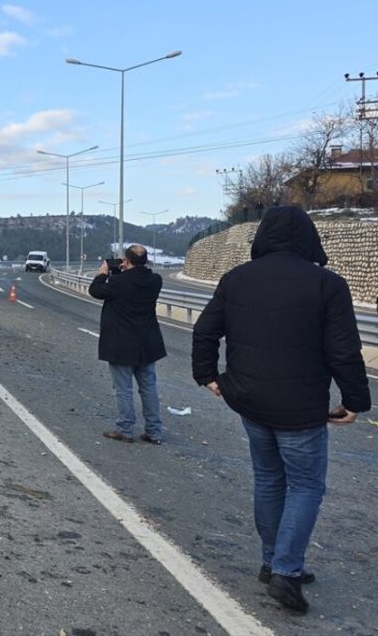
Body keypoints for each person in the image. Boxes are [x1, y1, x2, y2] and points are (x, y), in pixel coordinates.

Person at [191, 205, 371, 615]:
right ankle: (286, 572)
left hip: (250, 401)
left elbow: (204, 332)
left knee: (269, 480)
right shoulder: (327, 284)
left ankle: (274, 561)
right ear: (310, 239)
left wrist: (209, 377)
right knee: (306, 486)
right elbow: (344, 351)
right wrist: (356, 400)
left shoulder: (236, 278)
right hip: (301, 407)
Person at [87, 245, 166, 445]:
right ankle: (154, 432)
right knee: (149, 388)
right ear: (146, 261)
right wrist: (122, 271)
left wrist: (103, 273)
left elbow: (96, 291)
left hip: (121, 344)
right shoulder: (155, 281)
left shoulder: (117, 282)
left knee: (123, 389)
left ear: (127, 261)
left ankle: (125, 429)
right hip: (147, 343)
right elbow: (135, 281)